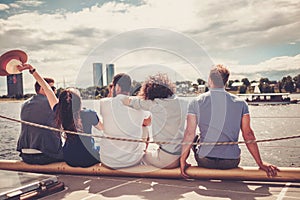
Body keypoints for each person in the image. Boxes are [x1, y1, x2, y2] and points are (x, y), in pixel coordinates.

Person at [180, 64, 279, 178]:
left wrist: (183, 160)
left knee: (196, 137)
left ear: (210, 80)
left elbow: (189, 134)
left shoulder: (196, 102)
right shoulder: (241, 103)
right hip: (230, 161)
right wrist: (260, 163)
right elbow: (248, 134)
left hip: (205, 161)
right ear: (226, 81)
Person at [17, 64, 103, 167]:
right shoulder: (89, 113)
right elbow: (103, 128)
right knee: (101, 149)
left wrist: (33, 70)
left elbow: (46, 88)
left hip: (68, 158)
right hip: (86, 158)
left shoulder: (59, 111)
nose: (54, 91)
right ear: (79, 100)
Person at [123, 73, 188, 169]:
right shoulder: (183, 103)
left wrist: (116, 99)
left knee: (140, 156)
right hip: (181, 155)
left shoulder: (155, 104)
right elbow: (149, 121)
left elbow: (131, 102)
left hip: (166, 159)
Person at [99, 73, 151, 169]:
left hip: (107, 160)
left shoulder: (103, 103)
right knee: (144, 126)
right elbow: (148, 122)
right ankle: (144, 152)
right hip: (132, 161)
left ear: (117, 87)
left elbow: (113, 103)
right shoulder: (138, 103)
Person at [17, 78, 64, 165]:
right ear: (43, 88)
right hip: (45, 155)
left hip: (25, 155)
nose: (55, 91)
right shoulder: (52, 104)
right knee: (77, 154)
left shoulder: (25, 104)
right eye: (52, 88)